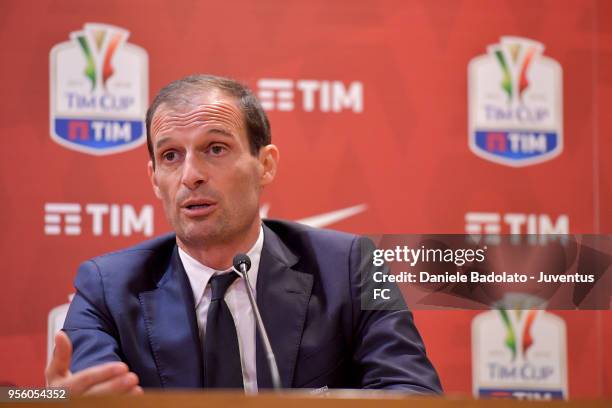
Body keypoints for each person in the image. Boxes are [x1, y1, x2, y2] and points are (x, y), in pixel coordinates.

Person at [46, 74, 442, 396]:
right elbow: (50, 396)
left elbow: (413, 393)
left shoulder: (349, 266)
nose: (190, 175)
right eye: (170, 156)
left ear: (265, 165)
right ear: (154, 178)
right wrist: (53, 400)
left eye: (215, 149)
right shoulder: (107, 288)